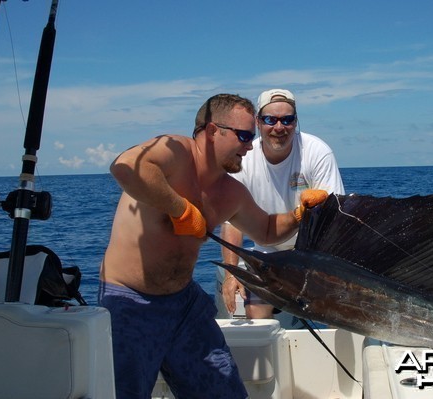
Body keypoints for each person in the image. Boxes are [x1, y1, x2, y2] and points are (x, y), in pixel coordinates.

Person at [98, 93, 328, 399]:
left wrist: (302, 214)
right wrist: (180, 209)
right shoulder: (176, 151)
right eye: (244, 136)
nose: (250, 145)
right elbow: (126, 167)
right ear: (212, 132)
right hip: (130, 303)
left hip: (184, 305)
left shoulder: (231, 191)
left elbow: (268, 230)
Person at [221, 88, 344, 319]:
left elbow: (333, 219)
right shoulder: (245, 157)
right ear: (258, 123)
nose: (279, 127)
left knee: (341, 315)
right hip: (268, 255)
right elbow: (232, 222)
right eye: (271, 119)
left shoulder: (317, 151)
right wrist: (231, 273)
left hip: (314, 256)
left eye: (287, 120)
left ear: (296, 122)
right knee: (255, 314)